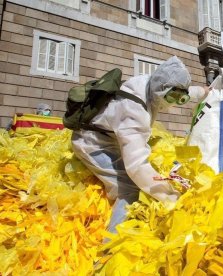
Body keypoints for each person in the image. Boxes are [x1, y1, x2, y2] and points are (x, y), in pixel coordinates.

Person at [71, 56, 208, 234]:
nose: (174, 103)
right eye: (173, 97)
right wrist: (171, 197)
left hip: (110, 135)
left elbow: (183, 91)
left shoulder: (150, 84)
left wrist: (204, 91)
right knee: (129, 188)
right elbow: (136, 167)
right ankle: (109, 248)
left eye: (179, 99)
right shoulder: (134, 113)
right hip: (91, 142)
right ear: (160, 90)